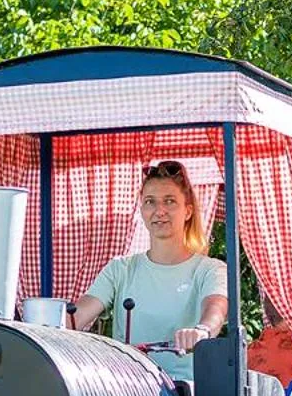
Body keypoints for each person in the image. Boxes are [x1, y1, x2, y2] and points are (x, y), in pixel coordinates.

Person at [71, 159, 228, 383]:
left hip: (184, 394)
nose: (159, 210)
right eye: (150, 202)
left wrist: (202, 330)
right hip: (127, 388)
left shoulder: (210, 270)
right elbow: (77, 315)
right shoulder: (120, 269)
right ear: (142, 209)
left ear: (188, 211)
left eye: (170, 201)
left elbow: (216, 308)